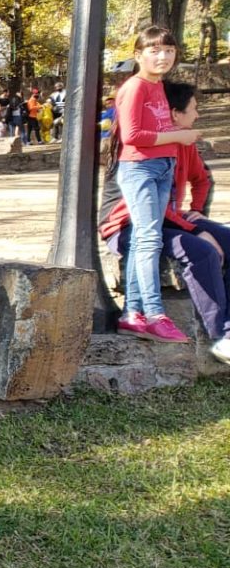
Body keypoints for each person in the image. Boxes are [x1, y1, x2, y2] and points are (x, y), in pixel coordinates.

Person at [100, 81, 230, 362]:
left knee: (227, 240)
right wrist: (195, 230)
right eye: (193, 109)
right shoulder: (148, 151)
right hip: (128, 225)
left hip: (168, 218)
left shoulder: (184, 142)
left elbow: (201, 179)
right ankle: (221, 335)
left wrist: (196, 211)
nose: (197, 116)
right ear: (174, 114)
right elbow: (152, 211)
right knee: (202, 251)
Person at [108, 26, 200, 343]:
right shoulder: (135, 88)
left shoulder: (157, 86)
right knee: (149, 240)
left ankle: (133, 314)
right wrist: (179, 136)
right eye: (155, 51)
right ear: (139, 55)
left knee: (142, 240)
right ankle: (155, 314)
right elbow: (132, 136)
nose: (163, 57)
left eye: (169, 51)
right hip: (140, 169)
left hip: (161, 168)